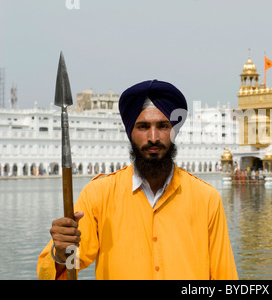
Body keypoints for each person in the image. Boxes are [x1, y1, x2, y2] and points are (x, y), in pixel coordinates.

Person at [37, 80, 238, 280]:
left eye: (163, 126)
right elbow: (64, 268)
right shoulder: (99, 194)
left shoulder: (206, 198)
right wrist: (61, 254)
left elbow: (224, 276)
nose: (153, 137)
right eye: (143, 126)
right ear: (130, 134)